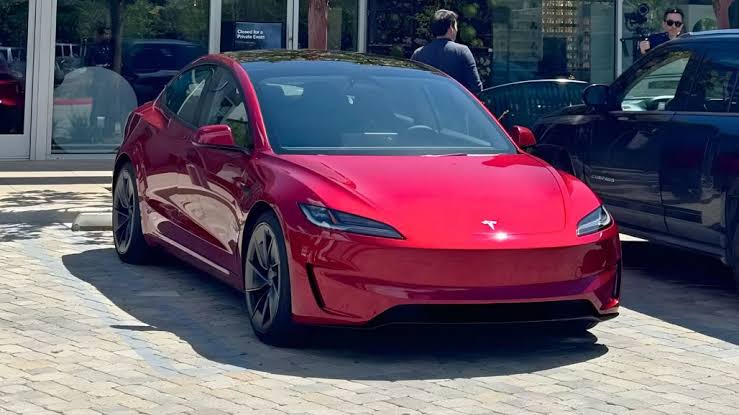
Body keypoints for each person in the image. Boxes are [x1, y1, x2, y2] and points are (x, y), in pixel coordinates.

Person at [411, 9, 483, 94]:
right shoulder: (462, 51)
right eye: (456, 26)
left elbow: (413, 85)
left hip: (428, 101)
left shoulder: (418, 53)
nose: (457, 30)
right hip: (454, 101)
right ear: (451, 28)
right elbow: (476, 87)